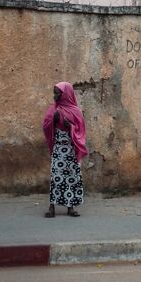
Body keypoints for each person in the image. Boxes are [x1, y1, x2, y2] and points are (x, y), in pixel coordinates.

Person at [42, 82, 89, 218]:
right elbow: (45, 126)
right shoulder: (53, 110)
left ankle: (71, 207)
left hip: (71, 150)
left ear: (65, 94)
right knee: (56, 177)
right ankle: (52, 207)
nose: (54, 96)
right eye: (54, 93)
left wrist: (71, 127)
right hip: (58, 150)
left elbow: (81, 130)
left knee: (71, 177)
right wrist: (53, 121)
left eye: (57, 93)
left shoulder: (76, 111)